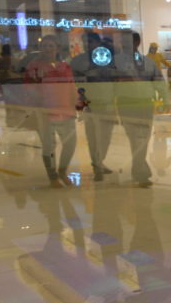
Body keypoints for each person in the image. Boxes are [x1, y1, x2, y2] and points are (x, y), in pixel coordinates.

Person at [24, 35, 77, 187]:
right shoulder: (33, 66)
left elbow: (71, 87)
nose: (47, 49)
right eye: (44, 46)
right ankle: (52, 176)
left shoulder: (65, 66)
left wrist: (76, 105)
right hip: (45, 112)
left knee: (70, 144)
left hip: (66, 111)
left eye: (51, 46)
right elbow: (29, 88)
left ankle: (62, 171)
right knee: (49, 145)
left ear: (57, 48)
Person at [115, 32, 167, 187]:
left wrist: (164, 99)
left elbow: (159, 82)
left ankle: (138, 168)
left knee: (143, 137)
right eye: (122, 41)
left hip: (145, 104)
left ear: (137, 42)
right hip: (126, 104)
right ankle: (140, 170)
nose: (124, 44)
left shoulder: (148, 63)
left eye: (128, 41)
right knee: (134, 137)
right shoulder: (116, 63)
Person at [70, 32, 118, 181]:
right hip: (89, 104)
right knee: (93, 136)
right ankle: (97, 165)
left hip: (107, 103)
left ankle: (99, 161)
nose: (88, 45)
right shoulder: (77, 61)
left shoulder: (108, 58)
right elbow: (75, 85)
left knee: (106, 136)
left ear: (98, 43)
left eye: (90, 41)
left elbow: (115, 82)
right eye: (85, 42)